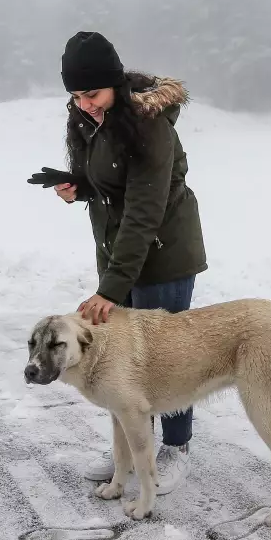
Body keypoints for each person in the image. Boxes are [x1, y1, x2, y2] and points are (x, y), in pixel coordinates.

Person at [44, 29, 208, 495]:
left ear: (115, 83)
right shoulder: (89, 120)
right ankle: (135, 449)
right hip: (120, 254)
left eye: (91, 93)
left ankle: (176, 448)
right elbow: (112, 184)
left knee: (171, 358)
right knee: (127, 360)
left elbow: (143, 210)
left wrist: (111, 289)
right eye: (75, 96)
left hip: (163, 254)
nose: (83, 104)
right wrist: (80, 186)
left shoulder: (149, 124)